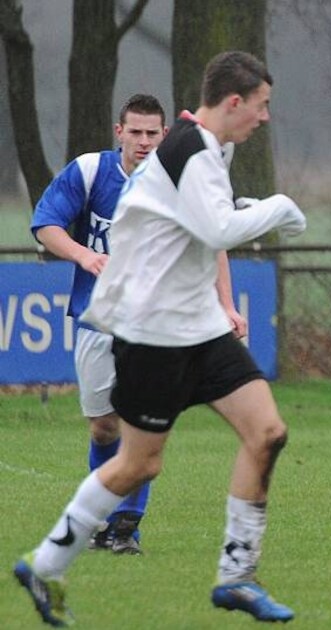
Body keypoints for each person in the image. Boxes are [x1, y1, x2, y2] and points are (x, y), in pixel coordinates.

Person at [13, 51, 307, 626]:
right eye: (262, 105)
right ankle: (45, 563)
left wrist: (247, 211)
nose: (265, 117)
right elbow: (217, 228)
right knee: (138, 465)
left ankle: (237, 576)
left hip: (199, 327)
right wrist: (278, 208)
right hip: (153, 333)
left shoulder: (207, 150)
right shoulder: (190, 149)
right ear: (234, 102)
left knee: (268, 432)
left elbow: (204, 219)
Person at [28, 94, 249, 557]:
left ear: (165, 135)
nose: (144, 141)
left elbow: (214, 243)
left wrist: (226, 305)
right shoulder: (90, 171)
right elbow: (46, 224)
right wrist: (85, 255)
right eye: (136, 132)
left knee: (139, 425)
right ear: (119, 132)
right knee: (103, 428)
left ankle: (126, 526)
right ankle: (101, 519)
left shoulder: (180, 179)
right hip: (98, 319)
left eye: (152, 133)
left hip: (156, 323)